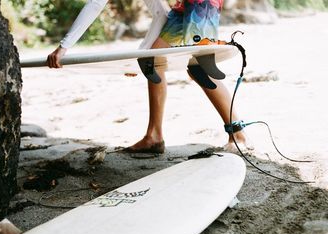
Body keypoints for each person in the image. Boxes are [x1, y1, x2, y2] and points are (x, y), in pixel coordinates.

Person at [47, 0, 250, 153]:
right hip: (182, 6)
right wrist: (142, 54)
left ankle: (237, 134)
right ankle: (154, 136)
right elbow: (160, 11)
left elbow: (95, 4)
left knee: (199, 68)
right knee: (153, 61)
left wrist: (63, 47)